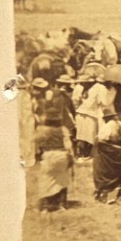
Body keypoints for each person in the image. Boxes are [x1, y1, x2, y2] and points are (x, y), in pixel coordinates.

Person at [29, 76, 75, 211]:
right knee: (62, 179)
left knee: (46, 179)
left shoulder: (43, 130)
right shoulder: (63, 129)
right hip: (61, 155)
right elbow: (68, 146)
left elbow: (35, 141)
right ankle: (61, 204)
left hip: (48, 156)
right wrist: (70, 158)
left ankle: (45, 205)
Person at [92, 109, 121, 203]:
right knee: (117, 171)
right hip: (119, 151)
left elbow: (101, 138)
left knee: (102, 168)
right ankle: (117, 190)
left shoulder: (105, 127)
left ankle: (105, 191)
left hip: (107, 152)